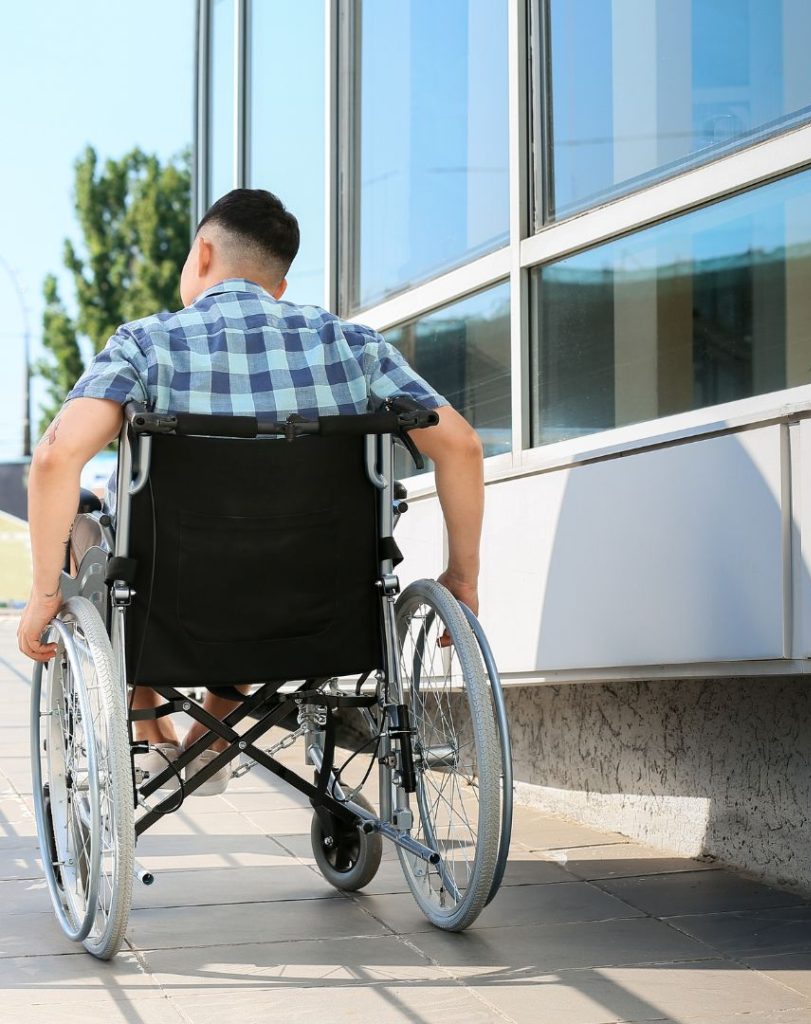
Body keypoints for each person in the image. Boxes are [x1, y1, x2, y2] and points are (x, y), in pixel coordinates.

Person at [17, 188, 484, 793]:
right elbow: (463, 446)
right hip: (321, 611)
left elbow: (56, 457)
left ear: (203, 254)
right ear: (278, 287)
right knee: (261, 567)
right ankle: (215, 730)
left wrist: (42, 594)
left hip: (177, 607)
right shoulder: (353, 346)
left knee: (97, 532)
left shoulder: (146, 345)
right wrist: (463, 578)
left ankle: (147, 728)